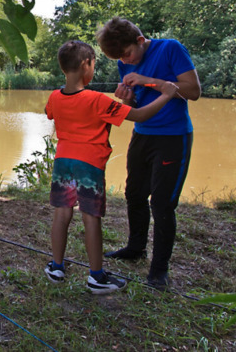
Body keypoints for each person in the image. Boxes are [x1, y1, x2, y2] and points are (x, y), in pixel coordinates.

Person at [44, 40, 179, 294]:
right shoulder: (98, 100)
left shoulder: (54, 96)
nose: (93, 69)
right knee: (90, 218)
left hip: (63, 162)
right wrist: (166, 95)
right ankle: (96, 277)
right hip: (89, 166)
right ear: (86, 65)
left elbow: (49, 111)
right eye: (93, 64)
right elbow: (139, 116)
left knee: (62, 214)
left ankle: (56, 267)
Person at [96, 17, 201, 290]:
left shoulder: (170, 49)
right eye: (120, 59)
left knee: (163, 204)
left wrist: (148, 80)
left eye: (128, 54)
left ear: (140, 41)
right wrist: (126, 97)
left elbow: (193, 91)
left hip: (173, 137)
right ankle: (135, 248)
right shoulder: (124, 61)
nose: (126, 62)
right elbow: (133, 104)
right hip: (143, 135)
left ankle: (159, 270)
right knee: (135, 194)